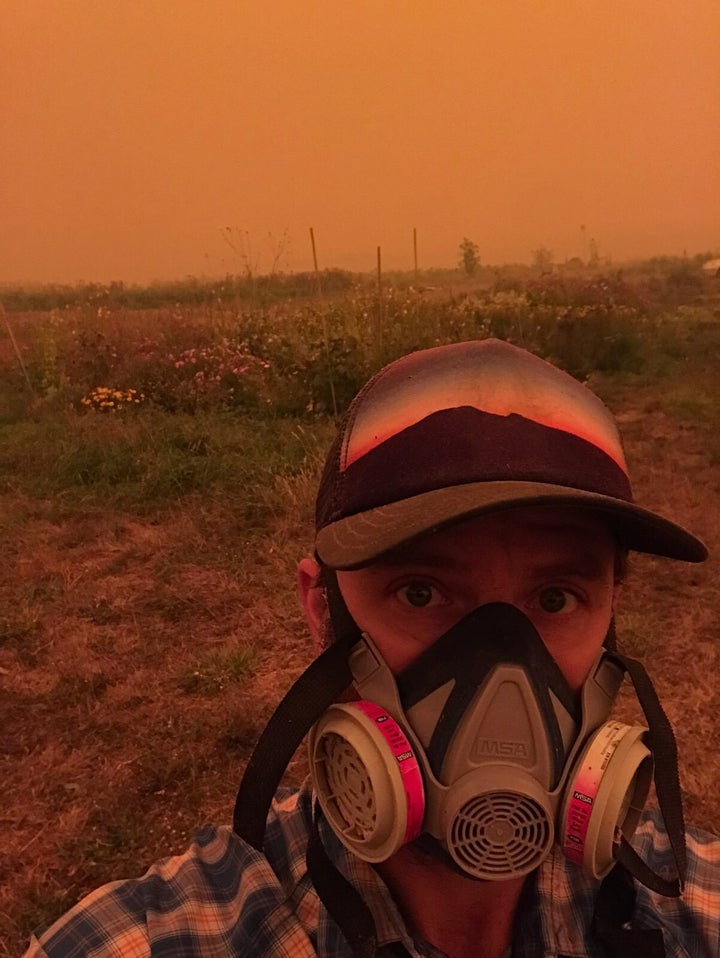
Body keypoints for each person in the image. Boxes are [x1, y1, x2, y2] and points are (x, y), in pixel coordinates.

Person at [24, 339, 719, 958]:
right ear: (320, 609)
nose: (503, 676)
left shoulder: (695, 913)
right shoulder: (160, 939)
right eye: (420, 592)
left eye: (557, 598)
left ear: (611, 617)